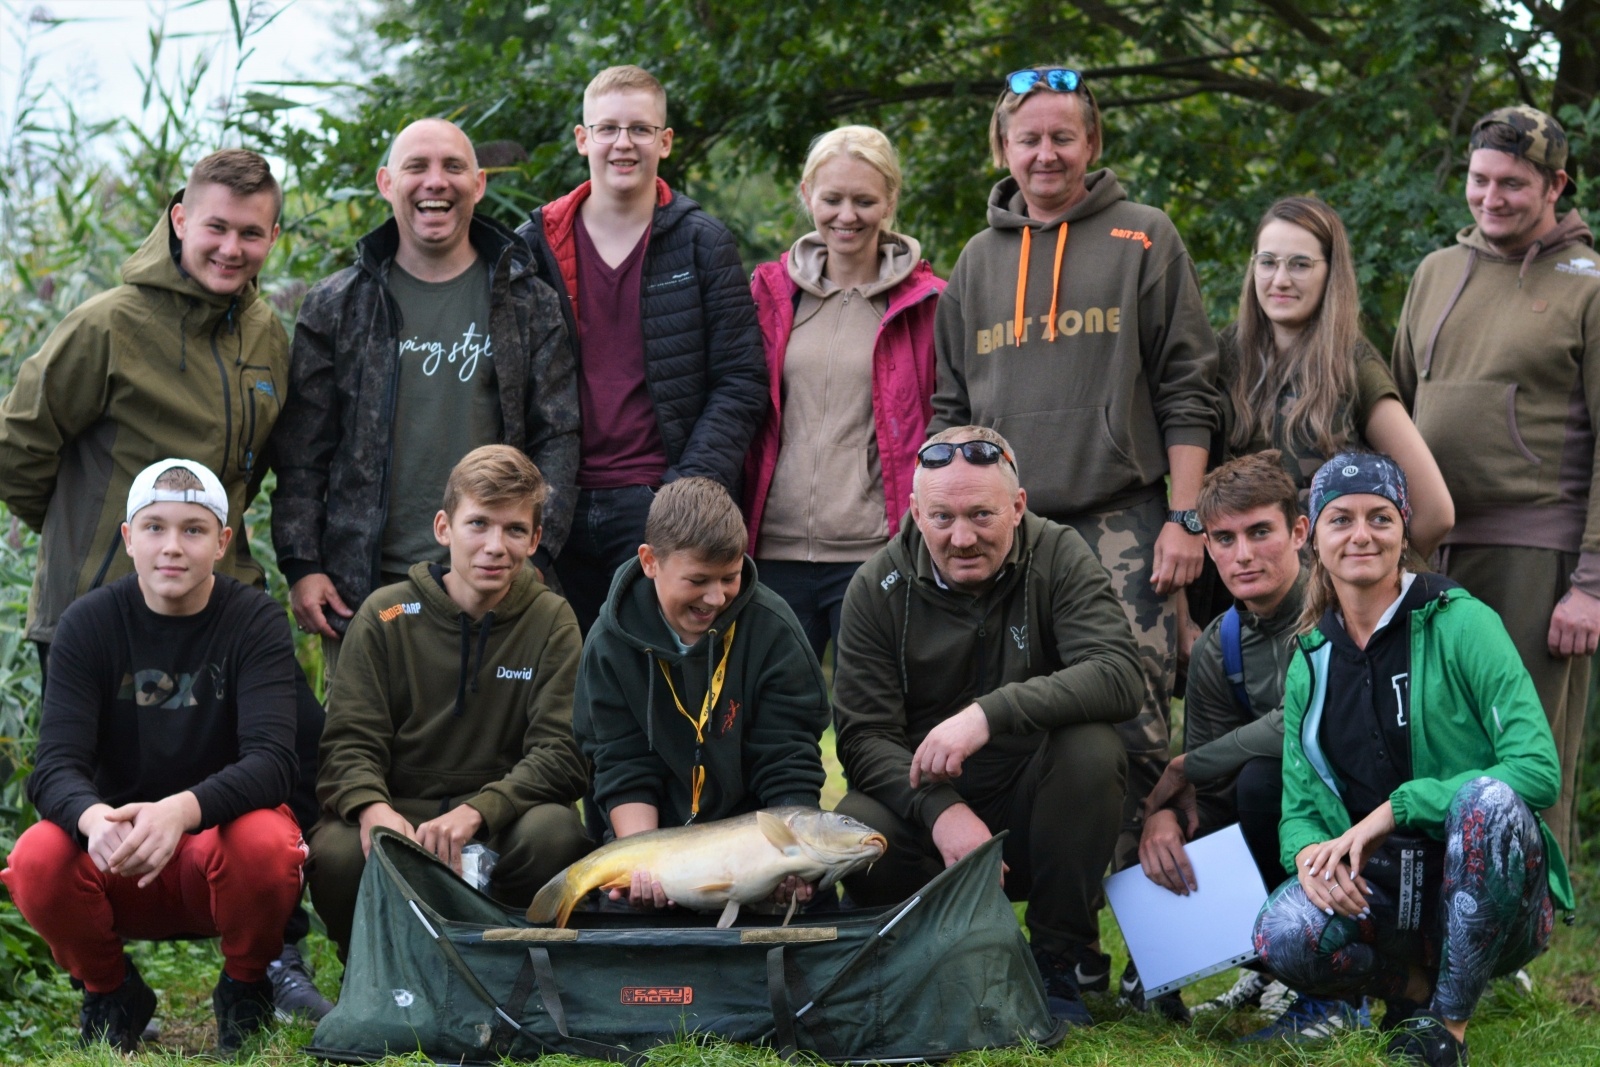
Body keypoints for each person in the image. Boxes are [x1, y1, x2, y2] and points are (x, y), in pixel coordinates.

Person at [0, 148, 332, 1021]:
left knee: (294, 753)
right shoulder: (107, 324)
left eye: (251, 232)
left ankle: (265, 962)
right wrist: (88, 551)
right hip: (100, 609)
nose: (231, 247)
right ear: (181, 216)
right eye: (216, 225)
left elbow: (261, 464)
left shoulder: (265, 335)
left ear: (270, 236)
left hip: (225, 606)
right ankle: (106, 981)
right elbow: (20, 446)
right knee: (86, 796)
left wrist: (214, 554)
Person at [926, 69, 1220, 977]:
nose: (1045, 153)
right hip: (999, 535)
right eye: (1029, 138)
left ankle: (1158, 955)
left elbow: (1187, 386)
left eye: (1063, 136)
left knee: (1132, 727)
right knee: (1015, 727)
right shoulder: (976, 261)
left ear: (1092, 144)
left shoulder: (1145, 237)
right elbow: (948, 407)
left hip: (1123, 522)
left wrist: (1185, 515)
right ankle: (1046, 936)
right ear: (1003, 150)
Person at [1253, 452, 1572, 1067]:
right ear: (1312, 537)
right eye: (1340, 519)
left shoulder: (1463, 622)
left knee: (1489, 798)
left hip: (1496, 893)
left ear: (1403, 531)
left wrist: (1395, 809)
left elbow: (1536, 769)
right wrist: (1313, 861)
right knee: (1280, 932)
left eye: (1380, 517)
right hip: (1390, 892)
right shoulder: (1311, 657)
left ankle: (1445, 1032)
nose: (1361, 535)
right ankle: (1415, 995)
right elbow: (1297, 810)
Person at [832, 425, 1144, 1027]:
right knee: (858, 823)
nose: (963, 537)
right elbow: (862, 737)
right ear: (916, 513)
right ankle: (928, 956)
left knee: (1093, 749)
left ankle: (1056, 960)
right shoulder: (874, 585)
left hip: (1035, 805)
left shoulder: (1058, 553)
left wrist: (987, 714)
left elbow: (1118, 673)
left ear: (1018, 507)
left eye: (982, 515)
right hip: (928, 817)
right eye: (943, 518)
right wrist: (940, 810)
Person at [1, 461, 305, 1056]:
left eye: (194, 530)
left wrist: (182, 811)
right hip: (117, 851)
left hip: (215, 850)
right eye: (155, 528)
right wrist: (93, 821)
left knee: (269, 843)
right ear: (128, 538)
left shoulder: (255, 622)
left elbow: (273, 761)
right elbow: (54, 768)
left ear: (222, 542)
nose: (173, 547)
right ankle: (111, 992)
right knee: (35, 857)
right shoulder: (88, 623)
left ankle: (245, 989)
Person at [271, 117, 579, 675]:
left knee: (497, 755)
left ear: (479, 184)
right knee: (360, 754)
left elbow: (558, 434)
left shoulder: (528, 302)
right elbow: (301, 451)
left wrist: (539, 550)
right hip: (362, 590)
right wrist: (301, 564)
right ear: (387, 183)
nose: (435, 182)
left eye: (452, 167)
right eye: (417, 167)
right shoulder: (337, 305)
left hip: (497, 580)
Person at [1391, 105, 1600, 863]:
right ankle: (1433, 924)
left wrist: (1592, 584)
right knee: (1430, 733)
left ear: (1555, 186)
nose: (1491, 197)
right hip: (1428, 548)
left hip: (1534, 555)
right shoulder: (1435, 272)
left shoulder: (1589, 286)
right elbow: (1399, 409)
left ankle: (1520, 936)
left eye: (1512, 183)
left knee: (1523, 745)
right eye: (1480, 179)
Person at [307, 446, 590, 959]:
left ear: (535, 539)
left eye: (515, 530)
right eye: (478, 524)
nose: (495, 547)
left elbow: (563, 755)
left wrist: (477, 812)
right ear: (444, 527)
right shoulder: (384, 613)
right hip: (402, 809)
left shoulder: (553, 620)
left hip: (501, 815)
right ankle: (373, 967)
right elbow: (348, 744)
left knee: (557, 832)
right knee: (335, 852)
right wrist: (373, 810)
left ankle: (505, 962)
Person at [519, 65, 766, 633]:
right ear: (583, 139)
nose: (622, 143)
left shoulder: (703, 243)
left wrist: (684, 493)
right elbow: (510, 383)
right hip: (557, 504)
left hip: (657, 501)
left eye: (639, 129)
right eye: (606, 129)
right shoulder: (537, 244)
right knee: (568, 688)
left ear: (664, 141)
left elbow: (740, 379)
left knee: (661, 682)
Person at [1138, 452, 1361, 1038]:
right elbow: (1207, 789)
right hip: (1281, 821)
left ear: (1298, 532)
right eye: (1225, 538)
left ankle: (1327, 972)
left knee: (1265, 777)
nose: (1243, 554)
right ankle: (1243, 967)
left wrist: (1188, 763)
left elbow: (1303, 719)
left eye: (1260, 532)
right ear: (1208, 548)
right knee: (1169, 815)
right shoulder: (1221, 642)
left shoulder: (1343, 607)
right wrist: (1164, 816)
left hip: (1365, 817)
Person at [573, 477, 829, 907]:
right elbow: (621, 765)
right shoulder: (608, 643)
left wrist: (791, 859)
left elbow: (787, 759)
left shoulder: (774, 629)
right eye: (698, 580)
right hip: (652, 834)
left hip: (754, 849)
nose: (716, 597)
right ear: (650, 561)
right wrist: (646, 863)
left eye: (730, 577)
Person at [743, 125, 944, 661]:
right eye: (832, 199)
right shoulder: (767, 294)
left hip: (876, 553)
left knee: (873, 716)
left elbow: (946, 421)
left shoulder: (929, 305)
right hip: (772, 550)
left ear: (890, 201)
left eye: (864, 200)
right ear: (808, 194)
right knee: (773, 721)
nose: (846, 215)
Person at [1221, 196, 1452, 554]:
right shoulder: (1225, 358)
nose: (1280, 280)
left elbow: (1436, 512)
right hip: (1237, 590)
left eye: (1300, 264)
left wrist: (1368, 581)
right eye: (1267, 262)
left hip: (1327, 599)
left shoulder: (1352, 366)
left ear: (1331, 272)